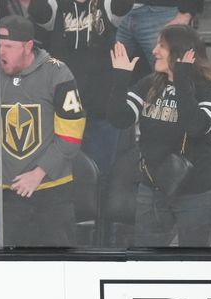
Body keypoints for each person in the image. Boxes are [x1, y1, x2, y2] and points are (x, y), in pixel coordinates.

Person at [0, 15, 86, 246]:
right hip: (4, 192)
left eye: (8, 46)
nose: (0, 53)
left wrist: (38, 173)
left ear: (28, 46)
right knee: (5, 269)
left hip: (52, 191)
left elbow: (71, 136)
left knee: (57, 267)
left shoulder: (57, 73)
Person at [107, 26, 211, 246]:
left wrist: (182, 79)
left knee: (192, 262)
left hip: (194, 191)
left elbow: (197, 127)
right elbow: (120, 119)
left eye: (161, 46)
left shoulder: (206, 87)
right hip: (152, 188)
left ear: (181, 52)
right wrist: (120, 80)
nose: (154, 51)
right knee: (147, 262)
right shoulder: (150, 83)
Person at [28, 0, 133, 177]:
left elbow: (123, 5)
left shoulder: (106, 5)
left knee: (101, 174)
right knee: (62, 173)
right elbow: (38, 10)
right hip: (64, 110)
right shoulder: (55, 5)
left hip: (101, 108)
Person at [116, 0, 201, 69]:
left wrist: (187, 11)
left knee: (170, 74)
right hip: (119, 10)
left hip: (163, 10)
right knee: (113, 72)